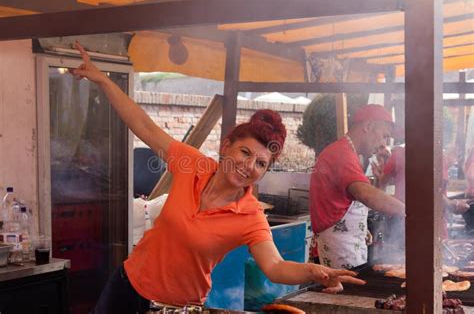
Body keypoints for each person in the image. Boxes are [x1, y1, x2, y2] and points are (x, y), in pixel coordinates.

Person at [70, 42, 365, 314]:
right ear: (226, 147)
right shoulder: (192, 165)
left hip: (178, 308)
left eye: (261, 163)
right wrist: (103, 80)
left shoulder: (250, 217)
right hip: (126, 287)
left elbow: (275, 267)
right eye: (244, 152)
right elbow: (144, 125)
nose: (249, 166)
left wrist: (312, 272)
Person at [309, 104, 405, 270]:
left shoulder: (346, 152)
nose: (382, 145)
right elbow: (365, 194)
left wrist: (360, 229)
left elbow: (343, 201)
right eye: (384, 136)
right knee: (345, 293)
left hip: (346, 244)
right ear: (368, 126)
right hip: (339, 248)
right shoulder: (341, 153)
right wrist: (409, 212)